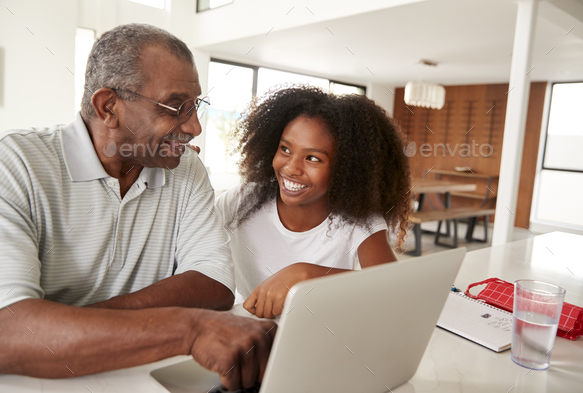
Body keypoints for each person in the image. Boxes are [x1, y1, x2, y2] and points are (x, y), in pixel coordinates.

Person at [0, 24, 274, 391]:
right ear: (108, 107)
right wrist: (188, 329)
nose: (194, 127)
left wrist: (73, 326)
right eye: (176, 107)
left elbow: (215, 284)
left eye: (196, 106)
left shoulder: (186, 170)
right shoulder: (15, 165)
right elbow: (11, 330)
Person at [215, 86, 412, 319]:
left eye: (312, 158)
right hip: (252, 331)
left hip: (320, 333)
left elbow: (395, 291)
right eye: (285, 149)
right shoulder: (241, 201)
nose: (290, 168)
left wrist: (306, 275)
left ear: (346, 169)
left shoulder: (359, 222)